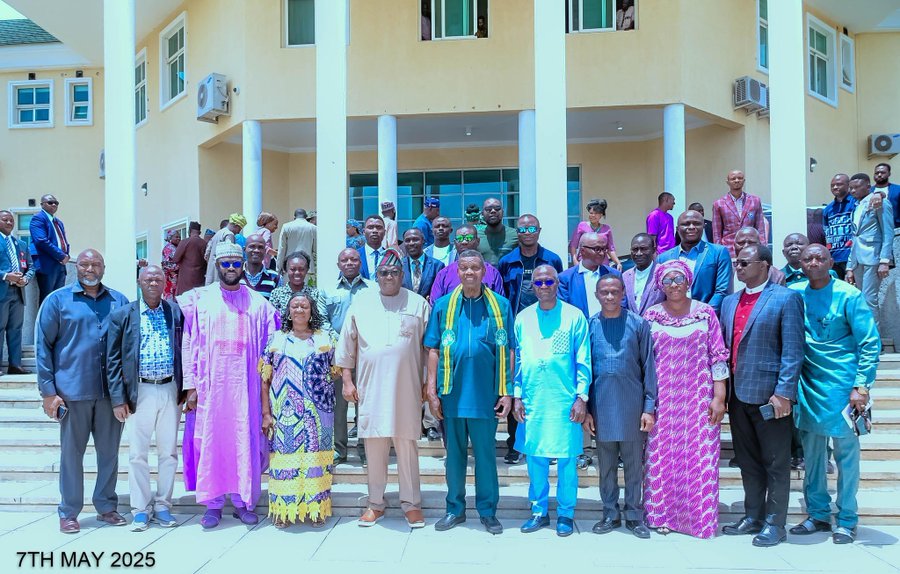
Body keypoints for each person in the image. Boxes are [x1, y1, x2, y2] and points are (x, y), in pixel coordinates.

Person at [179, 241, 280, 529]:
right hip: (210, 389)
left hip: (244, 392)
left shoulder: (259, 304)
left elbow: (270, 348)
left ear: (243, 265)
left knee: (241, 442)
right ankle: (212, 504)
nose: (232, 268)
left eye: (237, 263)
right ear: (217, 266)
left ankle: (241, 501)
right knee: (212, 443)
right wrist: (191, 385)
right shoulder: (200, 301)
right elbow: (189, 343)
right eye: (226, 264)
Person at [789, 244, 880, 545]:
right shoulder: (795, 294)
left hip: (844, 388)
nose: (814, 262)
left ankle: (847, 519)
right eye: (808, 259)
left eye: (820, 258)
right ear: (800, 264)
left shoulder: (849, 295)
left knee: (846, 457)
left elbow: (869, 342)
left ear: (830, 262)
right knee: (813, 456)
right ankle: (817, 514)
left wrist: (862, 385)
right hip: (809, 385)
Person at [36, 249, 130, 533]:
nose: (91, 268)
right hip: (71, 393)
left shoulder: (119, 301)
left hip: (109, 395)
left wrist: (126, 393)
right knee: (71, 455)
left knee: (109, 454)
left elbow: (128, 348)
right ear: (78, 267)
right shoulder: (58, 301)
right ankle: (69, 511)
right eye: (85, 263)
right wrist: (48, 392)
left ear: (104, 267)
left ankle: (106, 506)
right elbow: (43, 346)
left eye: (96, 264)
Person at [335, 248, 430, 529]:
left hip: (408, 387)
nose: (389, 277)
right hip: (370, 388)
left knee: (407, 446)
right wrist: (348, 381)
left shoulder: (417, 304)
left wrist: (428, 383)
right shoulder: (362, 303)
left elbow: (429, 348)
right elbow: (346, 345)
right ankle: (375, 503)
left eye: (394, 272)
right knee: (374, 445)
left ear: (403, 275)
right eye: (383, 273)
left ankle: (411, 504)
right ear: (376, 276)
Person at [719, 245, 804, 547]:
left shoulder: (786, 298)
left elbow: (793, 350)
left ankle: (775, 523)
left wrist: (784, 393)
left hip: (770, 398)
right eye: (736, 263)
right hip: (737, 397)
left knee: (775, 463)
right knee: (748, 461)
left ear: (765, 265)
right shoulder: (729, 302)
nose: (738, 267)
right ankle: (753, 516)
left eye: (744, 262)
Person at [424, 250, 514, 535]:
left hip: (486, 397)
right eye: (464, 268)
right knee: (454, 457)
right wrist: (431, 390)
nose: (470, 273)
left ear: (484, 271)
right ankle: (455, 509)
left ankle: (487, 511)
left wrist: (507, 392)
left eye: (475, 268)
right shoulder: (443, 305)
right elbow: (433, 349)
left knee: (486, 457)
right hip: (451, 395)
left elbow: (509, 349)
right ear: (458, 271)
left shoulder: (499, 305)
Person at [642, 260, 729, 538]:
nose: (674, 285)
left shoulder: (705, 314)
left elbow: (718, 356)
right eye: (667, 280)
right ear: (660, 285)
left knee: (700, 460)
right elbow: (643, 360)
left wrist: (720, 395)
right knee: (662, 460)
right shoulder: (652, 316)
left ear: (688, 280)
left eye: (678, 279)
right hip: (663, 401)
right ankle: (662, 516)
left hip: (698, 400)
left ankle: (697, 521)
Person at [513, 265, 591, 537]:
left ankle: (566, 514)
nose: (544, 286)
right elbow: (519, 362)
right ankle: (538, 511)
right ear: (532, 286)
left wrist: (582, 397)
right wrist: (517, 395)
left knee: (568, 459)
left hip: (564, 401)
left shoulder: (574, 316)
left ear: (558, 284)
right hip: (534, 400)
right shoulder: (523, 318)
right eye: (538, 282)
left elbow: (583, 360)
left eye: (549, 281)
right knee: (535, 458)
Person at [106, 265, 184, 532]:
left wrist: (186, 390)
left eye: (158, 279)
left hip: (169, 389)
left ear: (165, 284)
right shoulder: (123, 315)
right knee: (138, 454)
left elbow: (183, 350)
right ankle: (140, 509)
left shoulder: (174, 311)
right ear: (139, 281)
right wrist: (118, 398)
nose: (153, 283)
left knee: (169, 453)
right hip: (139, 392)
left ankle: (163, 505)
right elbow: (113, 359)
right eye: (148, 279)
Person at [583, 274, 656, 539]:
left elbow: (649, 367)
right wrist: (587, 409)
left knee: (635, 466)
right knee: (607, 465)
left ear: (624, 292)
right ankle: (609, 513)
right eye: (605, 293)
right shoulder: (590, 325)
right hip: (601, 408)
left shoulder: (639, 325)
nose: (610, 297)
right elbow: (585, 370)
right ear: (597, 295)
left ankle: (635, 516)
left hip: (632, 407)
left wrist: (649, 407)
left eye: (615, 292)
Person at [260, 291, 337, 528]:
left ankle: (316, 509)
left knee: (315, 461)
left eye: (304, 306)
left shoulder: (324, 339)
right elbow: (265, 379)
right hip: (285, 414)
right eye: (295, 306)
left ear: (312, 310)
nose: (300, 310)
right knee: (285, 463)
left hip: (318, 412)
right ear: (288, 311)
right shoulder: (276, 339)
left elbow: (336, 371)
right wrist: (266, 413)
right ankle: (284, 510)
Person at [499, 214, 563, 464]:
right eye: (523, 228)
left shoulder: (552, 259)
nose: (527, 232)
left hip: (549, 326)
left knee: (549, 384)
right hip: (519, 328)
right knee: (518, 383)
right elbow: (504, 296)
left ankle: (551, 443)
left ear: (539, 230)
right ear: (518, 231)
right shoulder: (507, 261)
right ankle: (515, 443)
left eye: (532, 228)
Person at [559, 232, 621, 470]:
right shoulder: (566, 278)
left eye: (604, 249)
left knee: (609, 396)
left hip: (609, 344)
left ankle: (612, 448)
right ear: (581, 250)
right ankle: (583, 449)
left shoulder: (614, 276)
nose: (602, 253)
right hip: (576, 347)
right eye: (596, 249)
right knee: (580, 396)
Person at [320, 248, 375, 466]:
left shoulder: (373, 289)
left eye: (354, 259)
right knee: (339, 405)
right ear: (338, 264)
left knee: (366, 404)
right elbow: (323, 321)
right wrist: (343, 342)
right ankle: (339, 450)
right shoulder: (327, 290)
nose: (350, 263)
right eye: (345, 259)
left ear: (360, 262)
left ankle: (365, 449)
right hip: (337, 356)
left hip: (366, 354)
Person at [657, 210, 733, 315]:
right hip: (673, 321)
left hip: (707, 320)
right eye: (686, 224)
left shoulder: (719, 253)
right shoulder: (663, 258)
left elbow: (722, 291)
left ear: (704, 226)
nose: (692, 227)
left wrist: (702, 315)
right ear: (677, 228)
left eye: (697, 223)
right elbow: (660, 293)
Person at [846, 172, 893, 331]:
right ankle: (863, 337)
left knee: (869, 299)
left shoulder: (880, 202)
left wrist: (885, 261)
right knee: (859, 300)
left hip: (874, 257)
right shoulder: (857, 206)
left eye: (856, 187)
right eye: (851, 188)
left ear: (868, 186)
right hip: (858, 259)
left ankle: (874, 341)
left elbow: (888, 232)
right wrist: (849, 266)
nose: (852, 191)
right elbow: (855, 237)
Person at [431, 225, 505, 301]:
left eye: (469, 238)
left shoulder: (492, 273)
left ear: (478, 241)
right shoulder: (444, 274)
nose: (464, 242)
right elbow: (436, 306)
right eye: (459, 239)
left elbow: (500, 304)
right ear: (455, 243)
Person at [0, 210, 34, 374]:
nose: (9, 223)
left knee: (15, 329)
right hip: (2, 292)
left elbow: (31, 267)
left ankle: (15, 365)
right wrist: (6, 276)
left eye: (11, 220)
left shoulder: (20, 244)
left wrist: (25, 279)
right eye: (5, 220)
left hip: (18, 293)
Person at [712, 170, 766, 258]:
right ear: (728, 182)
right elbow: (716, 233)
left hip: (751, 250)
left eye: (740, 178)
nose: (737, 180)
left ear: (744, 181)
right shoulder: (719, 204)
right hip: (728, 250)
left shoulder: (755, 201)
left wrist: (763, 251)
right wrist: (718, 254)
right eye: (733, 179)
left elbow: (760, 229)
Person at [269, 251, 328, 327]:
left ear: (307, 270)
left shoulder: (315, 293)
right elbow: (272, 320)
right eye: (293, 269)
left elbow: (319, 319)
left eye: (301, 269)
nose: (297, 272)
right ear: (286, 270)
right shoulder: (276, 294)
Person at [29, 194, 69, 304]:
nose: (54, 204)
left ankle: (56, 321)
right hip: (46, 264)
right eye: (50, 202)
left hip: (60, 264)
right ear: (42, 205)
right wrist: (61, 255)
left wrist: (66, 255)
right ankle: (45, 321)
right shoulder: (38, 218)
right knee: (47, 299)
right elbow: (41, 240)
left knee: (58, 298)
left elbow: (63, 241)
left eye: (56, 203)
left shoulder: (58, 222)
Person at [569, 199, 622, 269]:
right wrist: (575, 261)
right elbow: (573, 245)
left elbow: (610, 249)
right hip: (585, 263)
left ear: (601, 215)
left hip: (602, 264)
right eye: (591, 213)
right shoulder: (582, 226)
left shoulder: (606, 229)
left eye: (596, 213)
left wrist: (618, 263)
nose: (593, 215)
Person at [822, 174, 856, 278]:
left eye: (839, 184)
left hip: (852, 256)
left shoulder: (856, 202)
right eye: (832, 185)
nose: (835, 187)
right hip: (834, 258)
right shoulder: (828, 209)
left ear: (848, 185)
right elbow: (826, 233)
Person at [623, 233, 664, 315]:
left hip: (657, 326)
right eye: (635, 249)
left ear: (653, 250)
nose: (638, 253)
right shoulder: (625, 276)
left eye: (643, 249)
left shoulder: (663, 272)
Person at [401, 228, 444, 301]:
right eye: (407, 240)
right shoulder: (398, 266)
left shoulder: (437, 266)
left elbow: (441, 292)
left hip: (428, 309)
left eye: (415, 239)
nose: (411, 243)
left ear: (423, 241)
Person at [277, 208, 317, 280]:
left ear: (294, 217)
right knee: (305, 290)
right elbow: (316, 249)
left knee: (289, 290)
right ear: (306, 217)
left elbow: (282, 248)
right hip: (306, 267)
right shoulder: (313, 228)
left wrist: (279, 268)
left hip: (289, 266)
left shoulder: (286, 226)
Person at [204, 214, 245, 285]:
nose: (238, 232)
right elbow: (229, 256)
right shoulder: (229, 235)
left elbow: (206, 255)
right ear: (235, 225)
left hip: (211, 272)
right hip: (220, 272)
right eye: (239, 229)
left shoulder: (218, 233)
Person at [479, 198, 519, 266]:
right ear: (482, 214)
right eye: (488, 209)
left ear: (503, 212)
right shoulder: (476, 237)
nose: (493, 211)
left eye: (497, 208)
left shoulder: (516, 235)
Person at [241, 233, 281, 300]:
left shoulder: (275, 278)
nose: (256, 250)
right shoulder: (235, 275)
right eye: (252, 246)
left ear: (265, 251)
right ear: (244, 250)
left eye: (260, 247)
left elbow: (277, 306)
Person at [173, 221, 207, 295]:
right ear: (200, 232)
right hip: (200, 279)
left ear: (189, 231)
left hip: (185, 282)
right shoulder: (204, 243)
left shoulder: (184, 242)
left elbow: (175, 259)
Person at [357, 215, 387, 280]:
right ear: (364, 232)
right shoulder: (354, 256)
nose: (375, 231)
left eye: (379, 227)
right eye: (370, 227)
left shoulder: (391, 256)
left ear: (384, 232)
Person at [160, 230, 180, 300]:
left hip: (176, 276)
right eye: (176, 237)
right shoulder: (168, 248)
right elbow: (166, 264)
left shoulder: (177, 247)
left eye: (179, 237)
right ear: (171, 238)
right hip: (170, 277)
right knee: (170, 297)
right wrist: (174, 274)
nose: (178, 238)